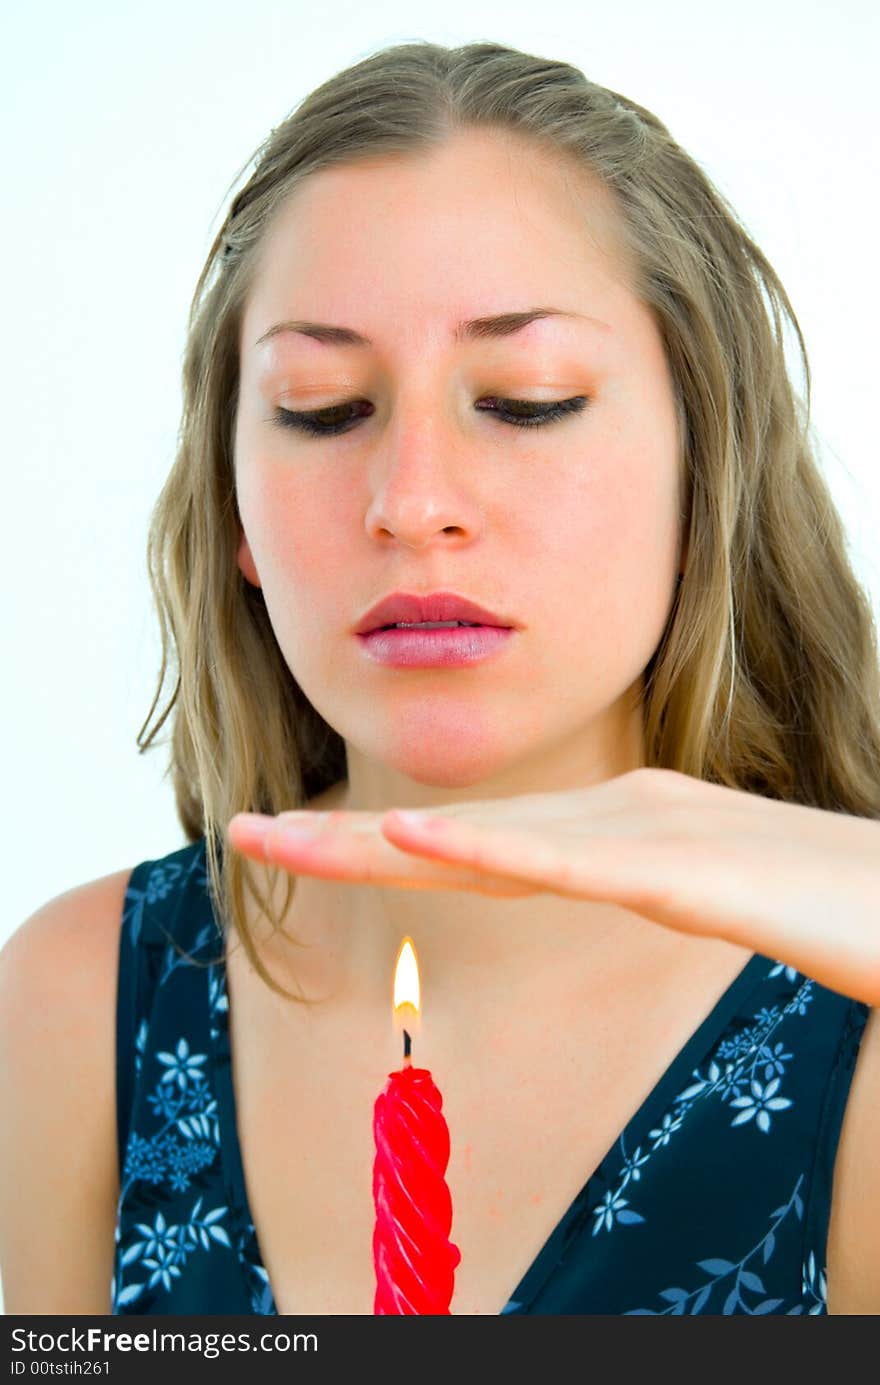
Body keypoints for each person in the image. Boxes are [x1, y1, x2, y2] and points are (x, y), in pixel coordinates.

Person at [1, 38, 879, 1318]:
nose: (411, 505)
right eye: (322, 408)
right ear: (236, 505)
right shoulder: (82, 1006)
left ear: (708, 459)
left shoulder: (855, 1020)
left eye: (526, 402)